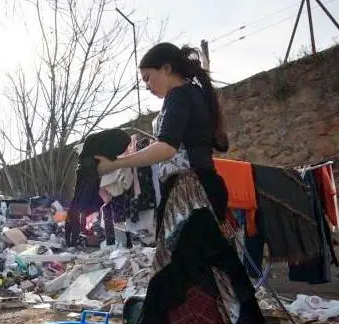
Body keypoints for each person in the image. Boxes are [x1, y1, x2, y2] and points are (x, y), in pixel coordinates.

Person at [96, 43, 265, 323]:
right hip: (201, 188)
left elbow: (167, 148)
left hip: (190, 194)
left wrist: (115, 163)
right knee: (207, 269)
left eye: (148, 77)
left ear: (166, 68)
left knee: (181, 269)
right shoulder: (194, 94)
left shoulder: (178, 95)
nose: (147, 86)